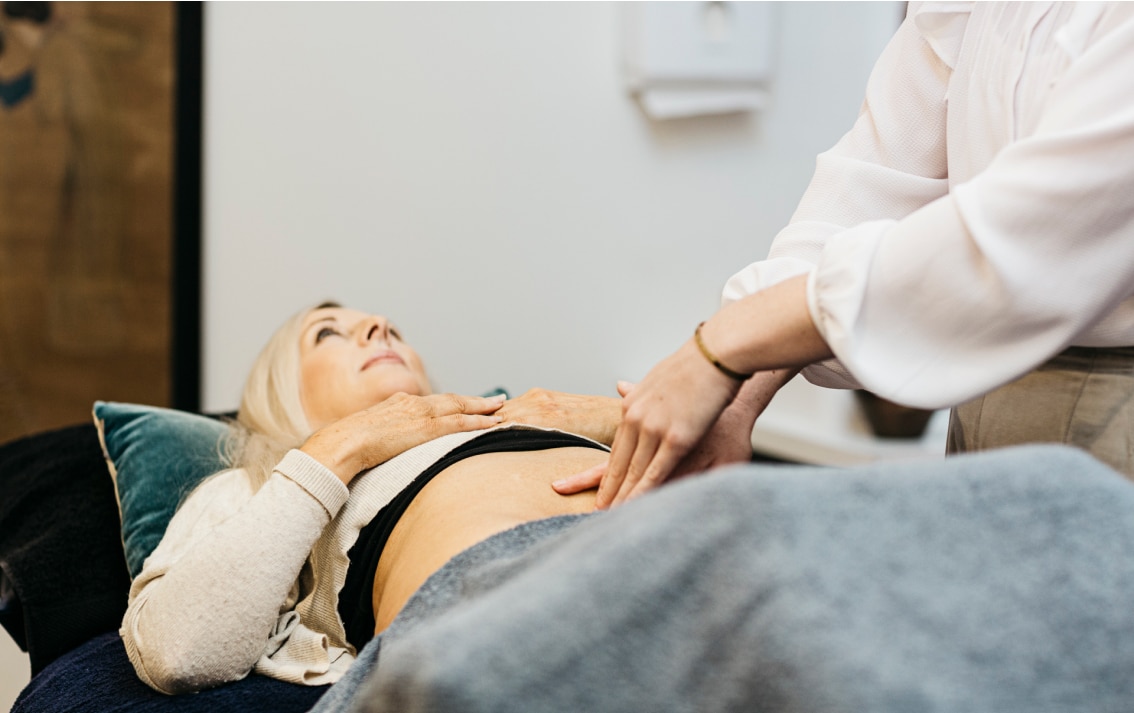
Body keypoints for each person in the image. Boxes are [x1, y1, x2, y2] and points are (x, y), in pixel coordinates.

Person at [559, 2, 1134, 508]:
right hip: (993, 407)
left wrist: (726, 347)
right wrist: (737, 394)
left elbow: (1019, 239)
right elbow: (872, 187)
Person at [120, 301, 622, 694]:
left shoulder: (544, 411)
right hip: (505, 605)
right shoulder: (264, 484)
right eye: (327, 333)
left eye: (393, 329)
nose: (380, 325)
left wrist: (618, 416)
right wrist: (339, 446)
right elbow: (176, 651)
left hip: (662, 534)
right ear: (283, 393)